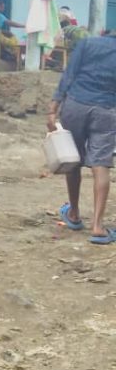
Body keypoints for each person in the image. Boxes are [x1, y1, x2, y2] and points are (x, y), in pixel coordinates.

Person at [48, 32, 116, 245]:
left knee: (73, 160)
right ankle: (97, 227)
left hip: (75, 106)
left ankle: (75, 214)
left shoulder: (87, 43)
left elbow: (69, 74)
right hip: (106, 110)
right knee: (101, 164)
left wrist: (53, 108)